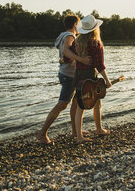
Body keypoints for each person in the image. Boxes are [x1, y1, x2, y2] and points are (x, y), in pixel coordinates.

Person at [36, 15, 92, 145]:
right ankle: (42, 133)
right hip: (68, 75)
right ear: (74, 25)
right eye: (78, 24)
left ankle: (75, 131)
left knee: (76, 102)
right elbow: (66, 51)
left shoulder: (63, 35)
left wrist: (68, 59)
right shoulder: (70, 36)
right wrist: (82, 60)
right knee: (62, 104)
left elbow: (64, 54)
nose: (80, 27)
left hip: (68, 73)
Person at [72, 14, 112, 143]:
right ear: (95, 29)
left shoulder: (76, 42)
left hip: (78, 75)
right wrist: (107, 80)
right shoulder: (96, 43)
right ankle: (99, 129)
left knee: (80, 106)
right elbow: (99, 65)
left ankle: (79, 136)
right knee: (97, 103)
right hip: (90, 76)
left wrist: (63, 60)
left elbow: (68, 57)